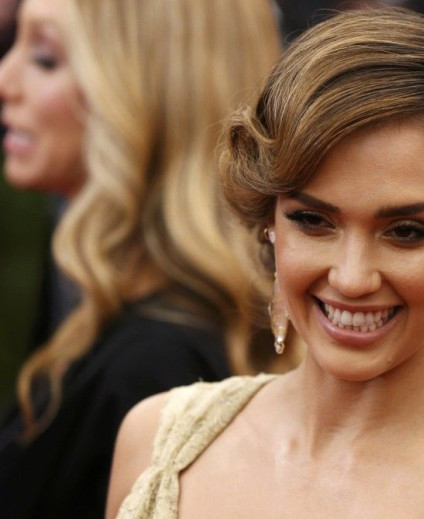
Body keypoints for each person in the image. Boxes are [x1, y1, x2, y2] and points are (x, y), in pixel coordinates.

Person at [108, 8, 424, 518]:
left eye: (406, 232)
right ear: (270, 218)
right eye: (313, 221)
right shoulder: (155, 445)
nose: (351, 277)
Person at [0, 0, 293, 517]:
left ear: (147, 90)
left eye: (45, 58)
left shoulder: (155, 368)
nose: (5, 80)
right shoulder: (96, 292)